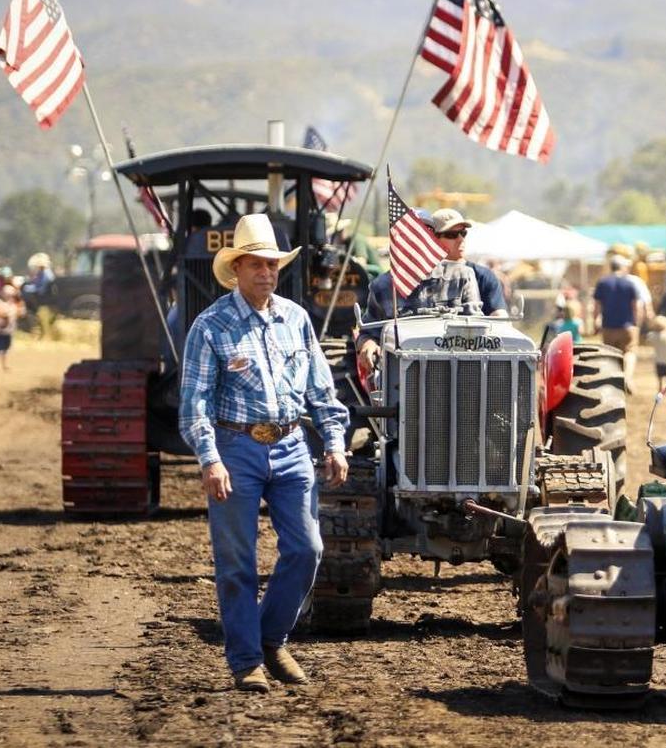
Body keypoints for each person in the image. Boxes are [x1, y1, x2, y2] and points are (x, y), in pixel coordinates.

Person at [178, 214, 350, 693]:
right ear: (236, 270)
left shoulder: (295, 319)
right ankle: (246, 660)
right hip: (235, 448)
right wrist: (210, 458)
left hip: (293, 446)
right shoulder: (210, 325)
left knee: (307, 549)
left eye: (272, 265)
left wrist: (334, 442)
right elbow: (194, 402)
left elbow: (321, 388)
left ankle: (272, 638)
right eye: (256, 265)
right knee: (237, 563)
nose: (266, 273)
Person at [357, 208, 483, 375]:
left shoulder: (462, 277)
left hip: (458, 375)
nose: (418, 241)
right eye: (410, 235)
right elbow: (368, 331)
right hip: (400, 379)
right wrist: (368, 345)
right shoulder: (382, 286)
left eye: (425, 233)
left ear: (433, 239)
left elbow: (479, 329)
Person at [593, 254, 642, 393]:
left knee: (610, 355)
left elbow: (597, 306)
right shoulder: (630, 283)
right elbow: (636, 306)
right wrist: (636, 323)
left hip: (608, 326)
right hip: (627, 326)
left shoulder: (602, 283)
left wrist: (595, 324)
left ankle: (612, 385)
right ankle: (627, 377)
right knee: (630, 352)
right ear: (622, 267)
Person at [0, 285, 23, 372]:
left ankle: (4, 365)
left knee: (6, 349)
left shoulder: (12, 304)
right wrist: (7, 314)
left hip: (8, 330)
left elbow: (18, 313)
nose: (9, 296)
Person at [647, 315, 666, 387]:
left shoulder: (653, 335)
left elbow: (648, 339)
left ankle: (660, 387)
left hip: (658, 360)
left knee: (659, 376)